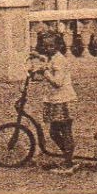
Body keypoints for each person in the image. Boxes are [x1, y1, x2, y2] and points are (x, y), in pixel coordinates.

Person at [30, 29, 79, 174]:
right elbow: (46, 67)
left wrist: (44, 71)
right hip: (54, 100)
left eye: (51, 46)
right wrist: (37, 60)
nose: (48, 49)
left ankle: (69, 163)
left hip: (63, 100)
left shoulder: (60, 60)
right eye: (45, 46)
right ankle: (67, 157)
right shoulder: (52, 58)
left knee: (64, 131)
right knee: (53, 132)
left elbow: (57, 82)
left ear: (58, 46)